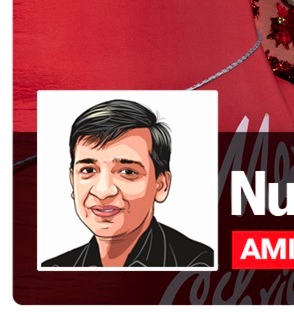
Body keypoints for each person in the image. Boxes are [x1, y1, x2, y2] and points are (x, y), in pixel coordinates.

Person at [42, 99, 214, 268]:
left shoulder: (197, 265)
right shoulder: (55, 268)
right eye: (88, 170)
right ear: (72, 180)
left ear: (161, 185)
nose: (103, 191)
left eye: (127, 172)